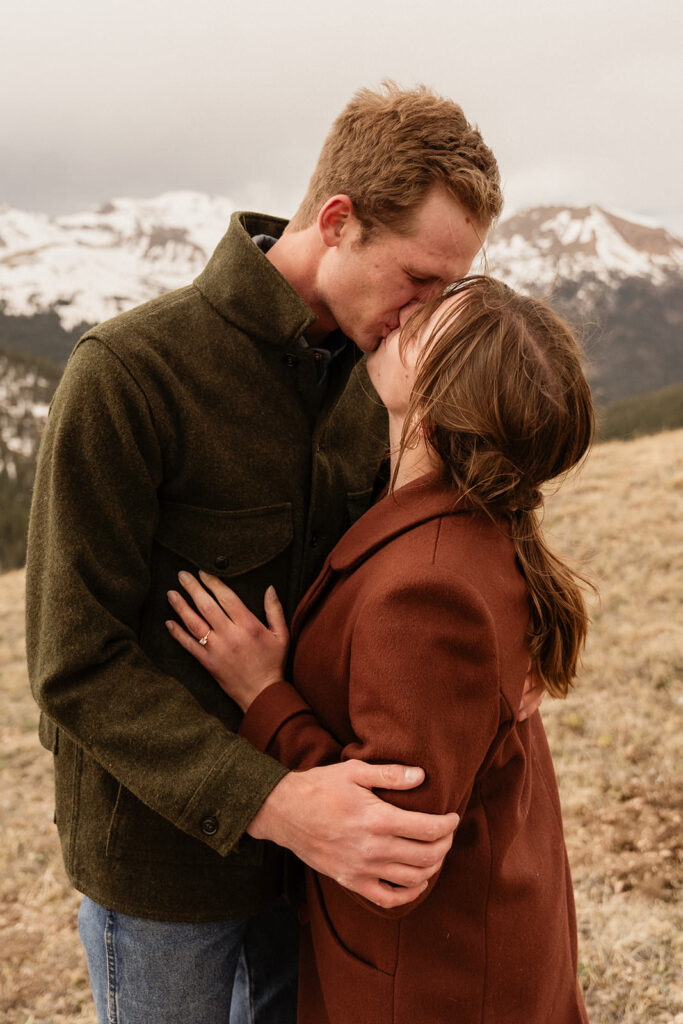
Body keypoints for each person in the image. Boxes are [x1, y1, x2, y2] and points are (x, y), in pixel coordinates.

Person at [25, 84, 540, 1023]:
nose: (424, 316)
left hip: (320, 873)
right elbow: (73, 665)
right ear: (337, 221)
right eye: (417, 281)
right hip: (163, 875)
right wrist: (276, 803)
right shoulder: (129, 375)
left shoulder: (385, 377)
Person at [167, 276, 593, 1023]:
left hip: (430, 986)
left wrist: (263, 695)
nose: (403, 315)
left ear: (438, 404)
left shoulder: (425, 591)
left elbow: (388, 850)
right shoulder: (468, 527)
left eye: (426, 323)